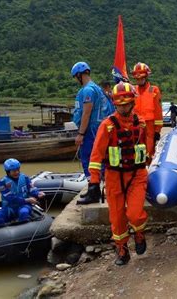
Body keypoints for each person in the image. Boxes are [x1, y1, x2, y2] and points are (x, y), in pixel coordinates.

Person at [85, 81, 149, 265]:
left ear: (132, 103)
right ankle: (121, 248)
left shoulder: (141, 123)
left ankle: (139, 233)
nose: (123, 108)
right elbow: (96, 155)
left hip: (137, 174)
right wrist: (94, 182)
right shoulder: (107, 126)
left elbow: (145, 149)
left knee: (135, 214)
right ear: (115, 104)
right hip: (114, 177)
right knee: (117, 217)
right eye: (120, 105)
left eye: (126, 104)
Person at [71, 62, 110, 179]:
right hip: (97, 129)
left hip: (90, 130)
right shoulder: (97, 88)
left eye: (75, 78)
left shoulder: (88, 90)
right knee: (98, 158)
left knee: (88, 159)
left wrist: (80, 134)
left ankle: (93, 187)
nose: (76, 81)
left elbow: (86, 113)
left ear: (79, 75)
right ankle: (97, 184)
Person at [0, 159, 45, 226]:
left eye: (18, 169)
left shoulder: (25, 178)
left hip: (24, 206)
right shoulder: (2, 182)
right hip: (9, 207)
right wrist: (27, 200)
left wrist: (38, 193)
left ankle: (23, 229)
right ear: (8, 172)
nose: (17, 172)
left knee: (24, 212)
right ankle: (3, 231)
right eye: (14, 171)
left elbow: (31, 189)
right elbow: (10, 198)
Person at [132, 62, 163, 156]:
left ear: (146, 77)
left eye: (141, 78)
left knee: (149, 152)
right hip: (136, 125)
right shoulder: (133, 90)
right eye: (137, 78)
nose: (139, 80)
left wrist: (157, 130)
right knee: (137, 151)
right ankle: (139, 169)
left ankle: (148, 167)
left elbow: (158, 111)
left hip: (150, 125)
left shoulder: (154, 90)